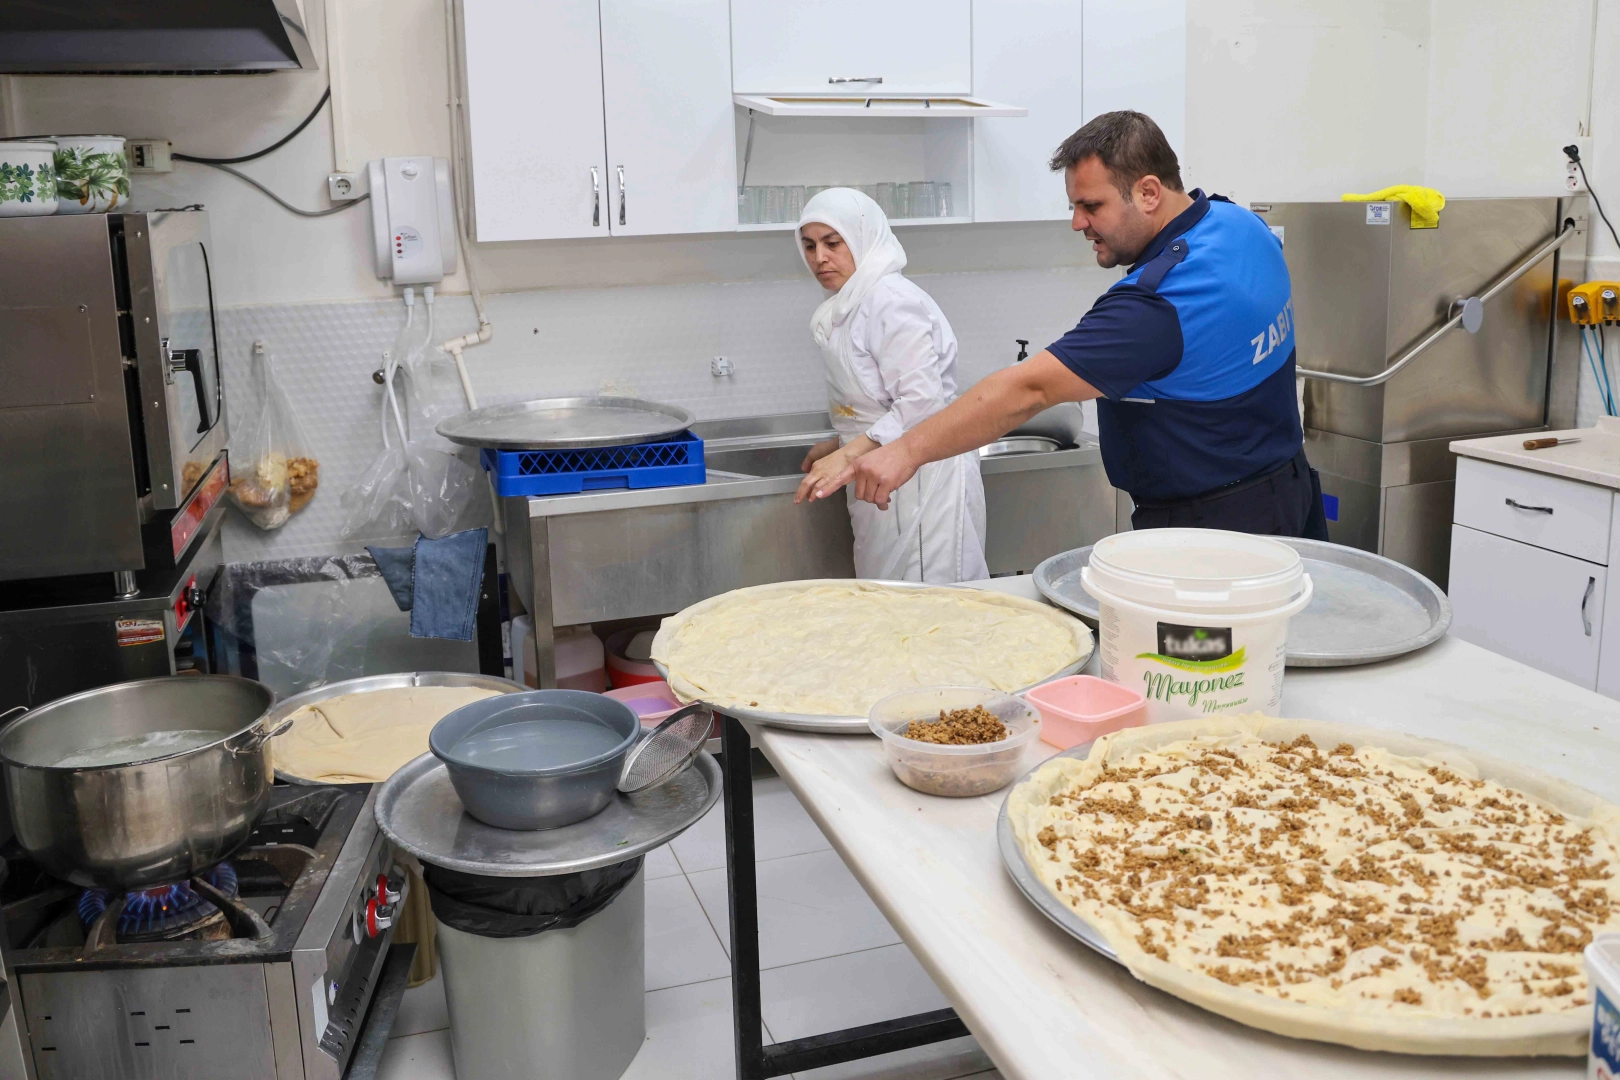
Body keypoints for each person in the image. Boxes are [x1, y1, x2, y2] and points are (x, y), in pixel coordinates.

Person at [815, 111, 1330, 540]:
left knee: (1194, 659)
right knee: (1271, 655)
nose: (1077, 223)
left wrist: (903, 451)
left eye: (1092, 206)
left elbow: (1028, 390)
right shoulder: (1240, 224)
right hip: (1288, 488)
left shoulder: (1155, 306)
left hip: (1212, 530)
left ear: (1149, 192)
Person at [792, 187, 990, 582]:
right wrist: (841, 442)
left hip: (921, 482)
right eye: (809, 246)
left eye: (833, 243)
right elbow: (879, 402)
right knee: (885, 604)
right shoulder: (848, 305)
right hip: (880, 477)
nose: (820, 258)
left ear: (864, 239)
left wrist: (848, 456)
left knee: (928, 606)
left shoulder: (892, 301)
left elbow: (922, 402)